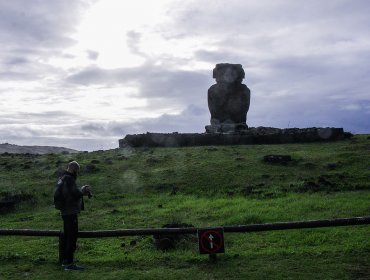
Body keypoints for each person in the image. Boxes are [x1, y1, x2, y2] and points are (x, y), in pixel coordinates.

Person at [59, 161, 92, 271]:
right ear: (74, 169)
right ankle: (69, 264)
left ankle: (65, 261)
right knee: (72, 237)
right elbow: (75, 194)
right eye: (77, 171)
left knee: (67, 235)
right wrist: (83, 190)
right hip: (70, 211)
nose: (77, 173)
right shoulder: (69, 179)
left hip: (65, 211)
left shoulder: (62, 178)